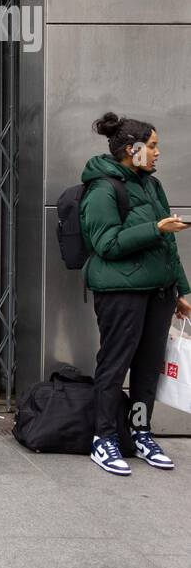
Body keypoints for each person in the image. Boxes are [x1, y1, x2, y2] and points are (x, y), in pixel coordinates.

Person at [79, 111, 191, 476]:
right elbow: (106, 244)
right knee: (114, 364)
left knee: (147, 369)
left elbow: (168, 246)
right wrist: (155, 228)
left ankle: (141, 431)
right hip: (120, 293)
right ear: (133, 149)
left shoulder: (151, 185)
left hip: (159, 292)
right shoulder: (102, 189)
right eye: (153, 146)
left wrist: (182, 290)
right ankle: (104, 437)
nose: (158, 153)